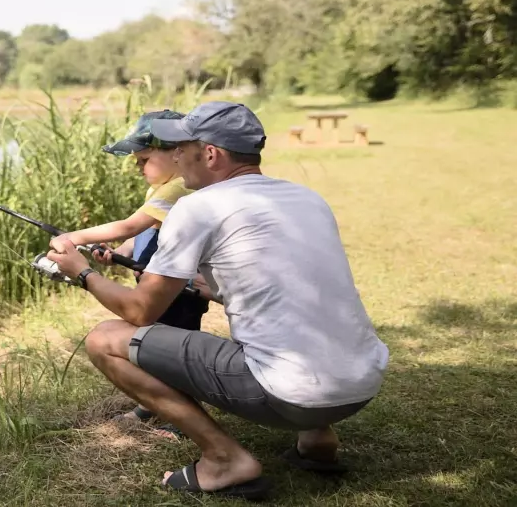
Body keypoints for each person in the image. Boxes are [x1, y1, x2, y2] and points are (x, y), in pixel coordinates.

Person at [46, 101, 389, 501]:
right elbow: (275, 286)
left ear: (210, 154)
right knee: (296, 319)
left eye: (181, 147)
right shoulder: (306, 197)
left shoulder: (198, 207)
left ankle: (225, 459)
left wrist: (81, 273)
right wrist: (198, 286)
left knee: (105, 339)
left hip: (292, 394)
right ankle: (318, 439)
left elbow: (140, 311)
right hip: (361, 383)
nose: (175, 156)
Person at [51, 109, 209, 431]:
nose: (139, 169)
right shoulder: (162, 187)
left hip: (178, 290)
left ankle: (186, 413)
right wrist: (120, 251)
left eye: (143, 160)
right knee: (151, 344)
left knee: (176, 350)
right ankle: (151, 403)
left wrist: (75, 237)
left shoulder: (179, 187)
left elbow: (130, 223)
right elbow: (145, 230)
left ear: (176, 154)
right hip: (156, 284)